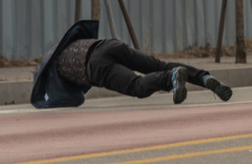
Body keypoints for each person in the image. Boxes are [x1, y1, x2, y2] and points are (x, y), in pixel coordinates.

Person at [31, 20, 232, 108]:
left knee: (137, 86)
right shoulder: (59, 49)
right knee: (159, 64)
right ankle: (204, 78)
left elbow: (73, 100)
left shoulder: (54, 75)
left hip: (96, 66)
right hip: (108, 45)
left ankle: (170, 77)